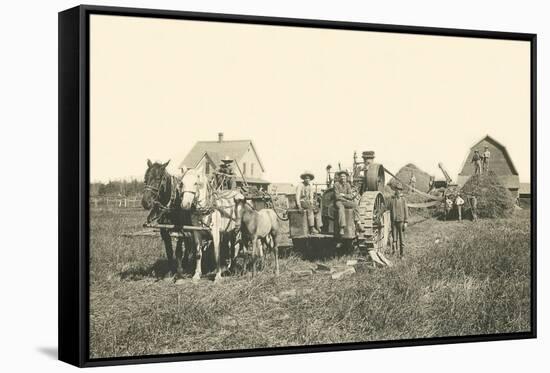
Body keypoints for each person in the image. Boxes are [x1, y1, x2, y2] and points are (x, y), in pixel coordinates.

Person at [333, 170, 363, 236]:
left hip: (345, 201)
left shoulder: (348, 185)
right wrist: (346, 198)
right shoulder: (336, 184)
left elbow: (351, 196)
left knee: (355, 205)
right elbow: (337, 196)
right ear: (339, 178)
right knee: (341, 209)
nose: (343, 178)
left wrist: (343, 195)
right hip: (339, 202)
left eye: (344, 177)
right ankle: (342, 228)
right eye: (341, 177)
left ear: (346, 177)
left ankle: (358, 222)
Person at [387, 183, 409, 257]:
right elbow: (386, 207)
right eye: (397, 189)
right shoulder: (392, 199)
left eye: (400, 190)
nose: (398, 191)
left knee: (401, 239)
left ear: (401, 191)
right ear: (395, 190)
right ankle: (394, 253)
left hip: (401, 222)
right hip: (394, 222)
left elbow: (406, 210)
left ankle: (402, 255)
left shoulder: (403, 200)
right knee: (394, 239)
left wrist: (406, 222)